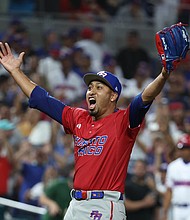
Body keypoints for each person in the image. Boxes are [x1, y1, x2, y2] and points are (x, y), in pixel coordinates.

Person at [0, 40, 171, 220]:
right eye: (90, 87)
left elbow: (146, 96)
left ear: (113, 96)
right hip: (76, 204)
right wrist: (15, 71)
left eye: (99, 87)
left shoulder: (123, 120)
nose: (91, 91)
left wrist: (164, 74)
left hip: (104, 204)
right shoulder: (78, 117)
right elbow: (42, 99)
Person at [162, 133, 190, 220]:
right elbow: (169, 191)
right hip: (176, 209)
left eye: (185, 148)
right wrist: (165, 212)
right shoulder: (172, 166)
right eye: (180, 148)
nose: (182, 151)